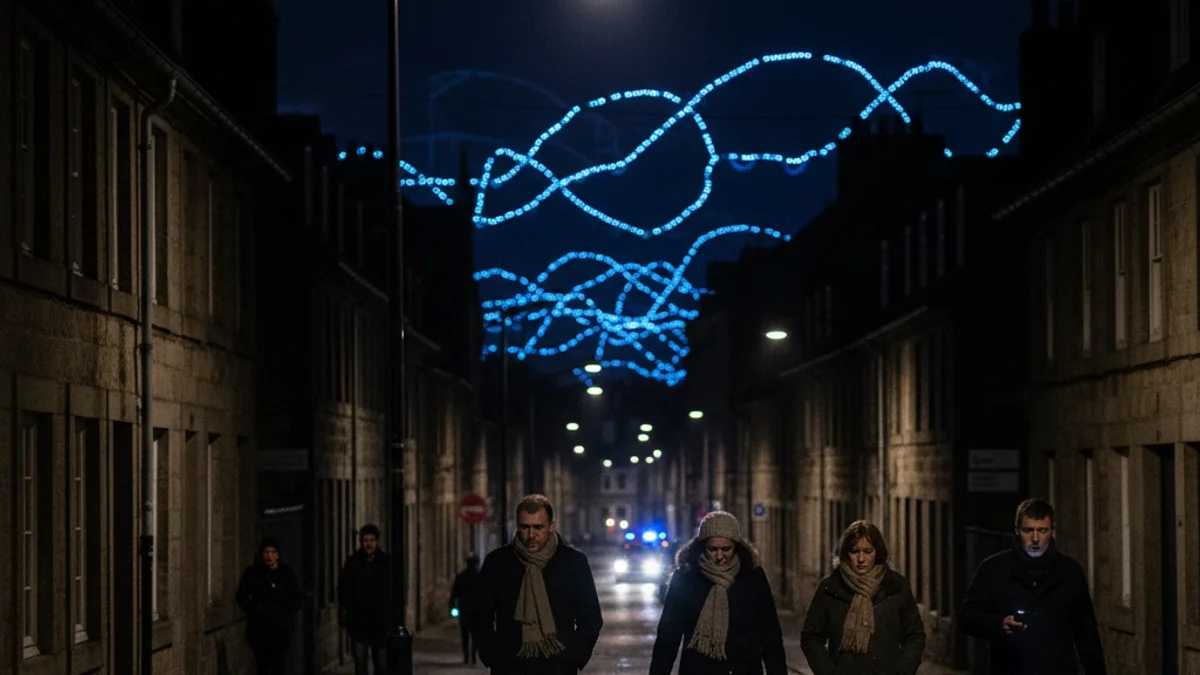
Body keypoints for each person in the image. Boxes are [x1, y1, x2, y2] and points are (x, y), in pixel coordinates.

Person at [957, 498, 1107, 675]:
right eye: (1028, 530)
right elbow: (967, 616)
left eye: (1042, 530)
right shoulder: (994, 569)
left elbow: (1086, 631)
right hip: (1010, 668)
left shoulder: (1069, 572)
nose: (1035, 538)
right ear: (1017, 531)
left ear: (1052, 531)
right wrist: (999, 623)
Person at [470, 494, 603, 674]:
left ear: (551, 527)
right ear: (518, 527)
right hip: (510, 667)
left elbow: (591, 616)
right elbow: (480, 615)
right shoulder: (498, 562)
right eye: (525, 527)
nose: (531, 535)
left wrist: (573, 657)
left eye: (538, 527)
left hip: (557, 667)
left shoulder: (573, 562)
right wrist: (494, 656)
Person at [649, 511, 788, 675]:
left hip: (743, 668)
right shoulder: (687, 577)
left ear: (736, 546)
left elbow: (769, 631)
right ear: (702, 546)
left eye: (726, 549)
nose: (719, 556)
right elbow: (668, 635)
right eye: (713, 549)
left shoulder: (751, 576)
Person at [800, 520, 925, 675]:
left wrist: (902, 671)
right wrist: (828, 672)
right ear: (846, 553)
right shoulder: (830, 588)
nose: (861, 559)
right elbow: (811, 636)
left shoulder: (895, 587)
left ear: (877, 552)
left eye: (867, 551)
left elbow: (914, 635)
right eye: (855, 551)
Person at [236, 537, 304, 675]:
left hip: (281, 628)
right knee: (262, 665)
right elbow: (241, 596)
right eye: (266, 552)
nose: (269, 556)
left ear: (278, 555)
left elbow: (297, 597)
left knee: (278, 664)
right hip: (260, 628)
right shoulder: (253, 573)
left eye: (273, 552)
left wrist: (287, 613)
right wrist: (254, 611)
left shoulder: (286, 573)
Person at [338, 524, 396, 675]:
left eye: (371, 540)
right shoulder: (352, 563)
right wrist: (348, 611)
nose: (368, 544)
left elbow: (393, 590)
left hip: (381, 623)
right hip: (359, 623)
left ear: (377, 542)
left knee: (382, 663)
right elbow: (343, 589)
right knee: (360, 661)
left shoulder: (386, 562)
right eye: (365, 540)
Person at [450, 553, 481, 665]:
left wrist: (452, 605)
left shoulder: (461, 577)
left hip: (464, 608)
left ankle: (466, 656)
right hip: (477, 610)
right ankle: (472, 657)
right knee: (475, 634)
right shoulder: (481, 576)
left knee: (465, 634)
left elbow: (454, 593)